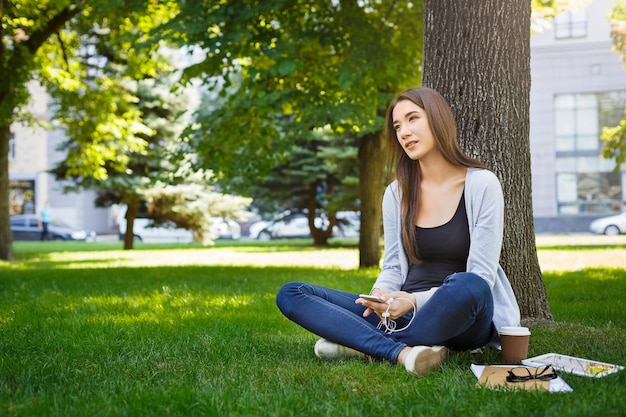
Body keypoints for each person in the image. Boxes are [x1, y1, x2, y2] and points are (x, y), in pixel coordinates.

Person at [276, 87, 521, 376]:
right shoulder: (396, 193)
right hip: (399, 312)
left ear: (438, 120)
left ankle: (364, 344)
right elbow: (393, 264)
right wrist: (380, 296)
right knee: (292, 293)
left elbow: (482, 275)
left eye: (412, 118)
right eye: (397, 126)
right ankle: (403, 351)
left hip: (460, 314)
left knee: (469, 284)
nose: (404, 132)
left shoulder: (482, 184)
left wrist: (413, 300)